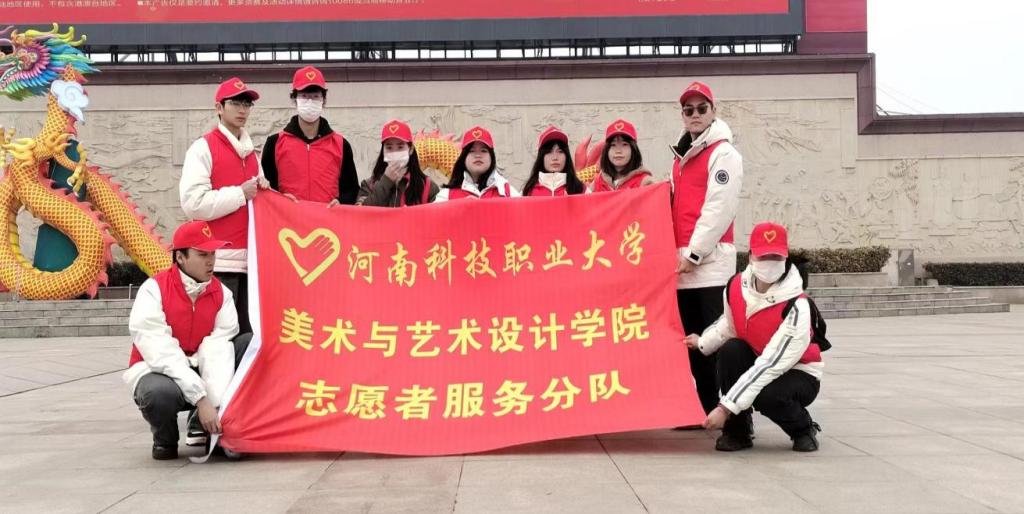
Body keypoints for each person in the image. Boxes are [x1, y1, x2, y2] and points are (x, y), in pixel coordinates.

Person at [685, 222, 823, 452]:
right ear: (750, 256)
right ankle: (738, 431)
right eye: (763, 256)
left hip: (798, 371)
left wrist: (724, 408)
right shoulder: (735, 286)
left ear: (785, 258)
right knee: (731, 350)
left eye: (775, 257)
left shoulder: (797, 305)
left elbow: (771, 363)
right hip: (759, 358)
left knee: (768, 395)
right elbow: (729, 326)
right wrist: (702, 343)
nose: (769, 263)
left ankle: (803, 428)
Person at [124, 220, 253, 460]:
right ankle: (165, 438)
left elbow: (218, 350)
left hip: (203, 366)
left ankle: (217, 428)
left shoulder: (222, 294)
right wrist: (201, 399)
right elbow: (160, 351)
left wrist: (214, 406)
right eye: (202, 254)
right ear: (180, 257)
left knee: (248, 345)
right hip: (160, 370)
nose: (211, 261)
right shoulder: (153, 290)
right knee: (157, 393)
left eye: (213, 254)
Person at [671, 81, 744, 420]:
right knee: (693, 345)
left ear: (714, 112)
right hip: (683, 268)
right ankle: (703, 410)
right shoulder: (680, 158)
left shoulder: (723, 153)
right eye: (689, 110)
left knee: (718, 345)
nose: (695, 115)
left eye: (702, 109)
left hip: (709, 267)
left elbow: (719, 207)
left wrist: (695, 253)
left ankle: (736, 420)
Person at [179, 77, 269, 334]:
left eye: (247, 104)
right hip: (217, 265)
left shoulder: (253, 156)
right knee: (219, 337)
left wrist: (266, 192)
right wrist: (240, 194)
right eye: (236, 103)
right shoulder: (202, 148)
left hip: (250, 264)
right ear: (219, 107)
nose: (243, 110)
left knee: (248, 337)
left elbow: (257, 201)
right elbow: (193, 203)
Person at [260, 66, 359, 207]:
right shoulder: (274, 143)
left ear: (324, 101)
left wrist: (341, 201)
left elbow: (352, 189)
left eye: (315, 96)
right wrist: (279, 198)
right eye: (304, 96)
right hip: (288, 219)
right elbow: (266, 189)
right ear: (294, 100)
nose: (310, 102)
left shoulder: (341, 144)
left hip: (327, 219)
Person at [356, 119, 439, 206]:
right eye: (389, 148)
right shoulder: (368, 185)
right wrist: (386, 181)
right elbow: (361, 212)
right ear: (383, 150)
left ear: (410, 149)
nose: (394, 153)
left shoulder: (428, 187)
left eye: (400, 147)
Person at [434, 126, 520, 202]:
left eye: (483, 151)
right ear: (463, 157)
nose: (478, 155)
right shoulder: (446, 195)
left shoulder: (508, 192)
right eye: (472, 151)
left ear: (492, 157)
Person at [589, 119, 655, 192]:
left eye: (624, 144)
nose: (618, 151)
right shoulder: (597, 184)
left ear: (633, 150)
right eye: (613, 145)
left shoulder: (646, 183)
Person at [521, 126, 586, 197]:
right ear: (541, 157)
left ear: (567, 156)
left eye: (560, 151)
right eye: (549, 152)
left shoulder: (582, 191)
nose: (555, 158)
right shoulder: (527, 192)